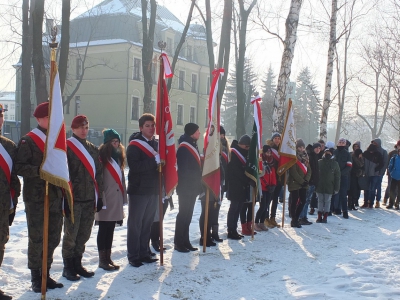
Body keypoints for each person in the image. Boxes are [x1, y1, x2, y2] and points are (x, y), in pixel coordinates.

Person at [15, 102, 64, 292]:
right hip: (36, 198)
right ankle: (36, 277)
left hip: (54, 196)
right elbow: (19, 166)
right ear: (38, 119)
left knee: (53, 237)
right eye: (48, 118)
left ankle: (46, 273)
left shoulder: (57, 140)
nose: (51, 121)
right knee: (37, 238)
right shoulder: (29, 140)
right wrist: (40, 171)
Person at [62, 115, 104, 281]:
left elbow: (98, 174)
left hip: (89, 199)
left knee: (84, 234)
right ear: (73, 129)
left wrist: (99, 196)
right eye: (80, 127)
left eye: (86, 127)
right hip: (73, 199)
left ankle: (77, 263)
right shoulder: (66, 147)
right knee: (71, 234)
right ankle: (68, 267)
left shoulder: (93, 149)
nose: (83, 130)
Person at [126, 113, 160, 266]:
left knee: (147, 223)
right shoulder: (134, 145)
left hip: (153, 189)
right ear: (141, 128)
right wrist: (154, 161)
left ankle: (144, 252)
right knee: (136, 224)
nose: (151, 128)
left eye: (153, 125)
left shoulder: (156, 144)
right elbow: (135, 167)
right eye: (147, 126)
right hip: (138, 190)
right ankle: (133, 255)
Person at [96, 129, 127, 271]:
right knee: (104, 229)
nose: (116, 144)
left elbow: (122, 179)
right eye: (113, 141)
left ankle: (108, 257)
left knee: (111, 229)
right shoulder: (101, 158)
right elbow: (99, 180)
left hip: (116, 198)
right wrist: (101, 198)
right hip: (106, 198)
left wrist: (124, 197)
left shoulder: (119, 157)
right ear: (107, 143)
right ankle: (102, 259)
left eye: (118, 141)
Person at [0, 104, 21, 300]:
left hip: (3, 206)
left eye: (1, 116)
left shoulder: (8, 146)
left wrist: (14, 202)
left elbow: (14, 178)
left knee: (0, 244)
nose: (0, 119)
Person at [174, 123, 203, 252]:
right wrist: (197, 175)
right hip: (185, 187)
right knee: (183, 215)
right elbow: (184, 170)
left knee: (189, 215)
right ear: (192, 133)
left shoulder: (192, 144)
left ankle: (185, 241)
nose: (200, 133)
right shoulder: (184, 147)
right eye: (198, 131)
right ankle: (178, 242)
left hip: (192, 187)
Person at [226, 135, 251, 239]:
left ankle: (234, 229)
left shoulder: (244, 153)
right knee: (234, 208)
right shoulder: (234, 153)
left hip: (242, 186)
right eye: (247, 146)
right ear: (243, 145)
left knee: (239, 208)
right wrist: (246, 178)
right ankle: (230, 229)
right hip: (235, 185)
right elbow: (235, 171)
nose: (248, 149)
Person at [288, 139, 312, 228]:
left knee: (303, 201)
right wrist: (302, 181)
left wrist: (306, 180)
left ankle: (297, 218)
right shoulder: (293, 157)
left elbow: (309, 170)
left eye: (302, 147)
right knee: (294, 201)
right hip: (295, 183)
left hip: (304, 184)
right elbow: (293, 171)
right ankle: (293, 219)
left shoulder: (306, 157)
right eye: (299, 147)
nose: (301, 149)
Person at [315, 148, 340, 223]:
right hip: (319, 186)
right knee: (320, 201)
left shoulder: (335, 164)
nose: (327, 154)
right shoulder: (319, 162)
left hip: (330, 186)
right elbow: (315, 174)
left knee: (327, 201)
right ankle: (319, 216)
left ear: (332, 154)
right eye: (326, 152)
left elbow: (337, 177)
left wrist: (336, 188)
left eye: (329, 153)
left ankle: (325, 216)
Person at [254, 145, 276, 231]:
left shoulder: (271, 162)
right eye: (267, 152)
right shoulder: (261, 162)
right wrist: (265, 184)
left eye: (270, 152)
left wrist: (273, 185)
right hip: (263, 187)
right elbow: (260, 175)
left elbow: (273, 174)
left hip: (270, 188)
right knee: (262, 206)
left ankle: (262, 223)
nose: (269, 154)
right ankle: (256, 223)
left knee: (266, 206)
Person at [298, 142, 321, 225]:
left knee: (307, 200)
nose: (318, 149)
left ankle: (304, 216)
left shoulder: (315, 156)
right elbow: (309, 170)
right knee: (305, 200)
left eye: (319, 148)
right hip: (309, 182)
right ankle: (301, 217)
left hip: (313, 182)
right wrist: (310, 180)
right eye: (316, 148)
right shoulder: (310, 157)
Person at [264, 132, 282, 228]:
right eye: (275, 138)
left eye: (279, 138)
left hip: (279, 178)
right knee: (268, 199)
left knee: (275, 199)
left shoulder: (282, 150)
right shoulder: (269, 149)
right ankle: (265, 217)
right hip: (270, 178)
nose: (277, 140)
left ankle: (273, 218)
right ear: (272, 139)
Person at [332, 138, 352, 219]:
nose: (341, 143)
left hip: (343, 177)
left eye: (343, 142)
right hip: (333, 177)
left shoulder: (347, 154)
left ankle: (345, 211)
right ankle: (332, 209)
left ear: (345, 144)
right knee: (333, 194)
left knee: (343, 195)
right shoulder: (334, 152)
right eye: (340, 142)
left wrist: (340, 173)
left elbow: (349, 166)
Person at [362, 143, 383, 208]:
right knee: (366, 189)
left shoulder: (378, 154)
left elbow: (381, 164)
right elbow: (362, 162)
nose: (371, 152)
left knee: (372, 189)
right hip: (367, 173)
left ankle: (371, 203)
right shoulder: (365, 153)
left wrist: (376, 169)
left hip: (374, 174)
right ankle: (365, 202)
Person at [371, 138, 388, 208]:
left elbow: (385, 163)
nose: (374, 144)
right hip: (371, 172)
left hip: (379, 173)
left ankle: (377, 201)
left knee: (378, 187)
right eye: (373, 143)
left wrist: (381, 172)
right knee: (371, 187)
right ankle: (371, 201)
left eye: (375, 143)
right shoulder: (371, 150)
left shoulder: (383, 152)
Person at [383, 141, 400, 206]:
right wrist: (390, 172)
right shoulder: (392, 154)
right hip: (393, 175)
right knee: (390, 188)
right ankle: (388, 200)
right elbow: (389, 164)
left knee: (398, 190)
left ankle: (397, 203)